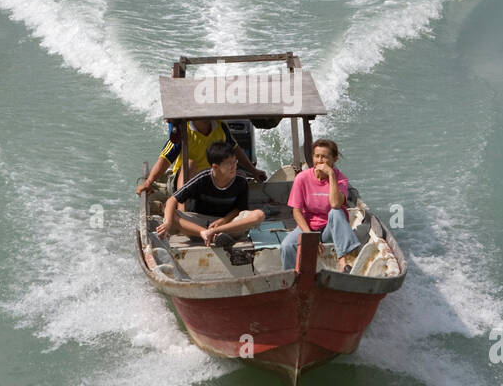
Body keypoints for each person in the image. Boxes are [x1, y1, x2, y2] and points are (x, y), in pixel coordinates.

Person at [155, 141, 266, 246]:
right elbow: (172, 200)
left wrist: (222, 222)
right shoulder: (203, 178)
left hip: (228, 225)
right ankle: (205, 234)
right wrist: (168, 223)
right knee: (171, 214)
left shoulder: (241, 181)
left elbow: (239, 209)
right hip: (199, 224)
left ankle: (214, 233)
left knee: (259, 215)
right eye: (229, 164)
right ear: (215, 167)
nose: (234, 167)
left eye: (235, 162)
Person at [279, 138, 362, 273]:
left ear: (334, 160)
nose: (320, 161)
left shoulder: (340, 179)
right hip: (309, 227)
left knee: (335, 212)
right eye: (317, 156)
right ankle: (291, 277)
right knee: (287, 245)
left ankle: (343, 261)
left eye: (324, 157)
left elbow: (335, 204)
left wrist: (331, 175)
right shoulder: (302, 178)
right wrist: (309, 236)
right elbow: (297, 211)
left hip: (331, 229)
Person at [135, 117, 265, 195]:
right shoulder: (183, 131)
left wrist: (253, 171)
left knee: (239, 176)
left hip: (212, 179)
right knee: (190, 164)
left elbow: (235, 150)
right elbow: (165, 158)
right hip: (184, 181)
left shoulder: (221, 127)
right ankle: (182, 210)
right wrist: (148, 182)